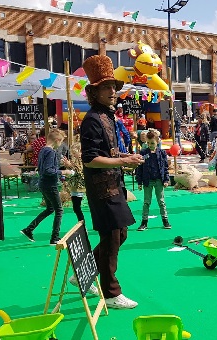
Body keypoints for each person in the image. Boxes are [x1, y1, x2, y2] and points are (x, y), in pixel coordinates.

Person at [79, 55, 145, 309]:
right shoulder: (93, 119)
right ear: (94, 92)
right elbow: (90, 160)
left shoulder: (106, 116)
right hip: (102, 189)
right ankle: (111, 292)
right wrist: (123, 162)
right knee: (112, 239)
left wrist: (126, 157)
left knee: (120, 234)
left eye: (113, 87)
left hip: (113, 186)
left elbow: (107, 153)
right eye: (106, 88)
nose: (112, 92)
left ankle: (83, 272)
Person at [20, 129, 74, 245]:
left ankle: (29, 229)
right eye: (61, 142)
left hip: (43, 183)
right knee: (59, 210)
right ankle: (55, 237)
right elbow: (48, 170)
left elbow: (43, 168)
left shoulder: (43, 150)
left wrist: (58, 166)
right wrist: (64, 172)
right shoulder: (51, 152)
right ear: (57, 140)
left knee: (50, 209)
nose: (61, 145)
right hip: (50, 184)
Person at [136, 130, 171, 231]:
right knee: (147, 202)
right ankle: (144, 222)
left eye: (152, 143)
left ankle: (165, 220)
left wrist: (166, 179)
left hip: (159, 180)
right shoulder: (143, 153)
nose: (150, 145)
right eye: (148, 143)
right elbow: (140, 168)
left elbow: (165, 167)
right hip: (148, 181)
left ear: (157, 142)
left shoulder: (162, 153)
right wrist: (139, 182)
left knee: (161, 201)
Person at [66, 138, 86, 223]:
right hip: (74, 186)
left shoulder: (82, 160)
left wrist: (69, 166)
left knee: (77, 207)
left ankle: (81, 222)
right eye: (72, 153)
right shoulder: (75, 160)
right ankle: (81, 222)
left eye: (74, 153)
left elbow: (80, 172)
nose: (73, 155)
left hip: (80, 187)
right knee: (76, 207)